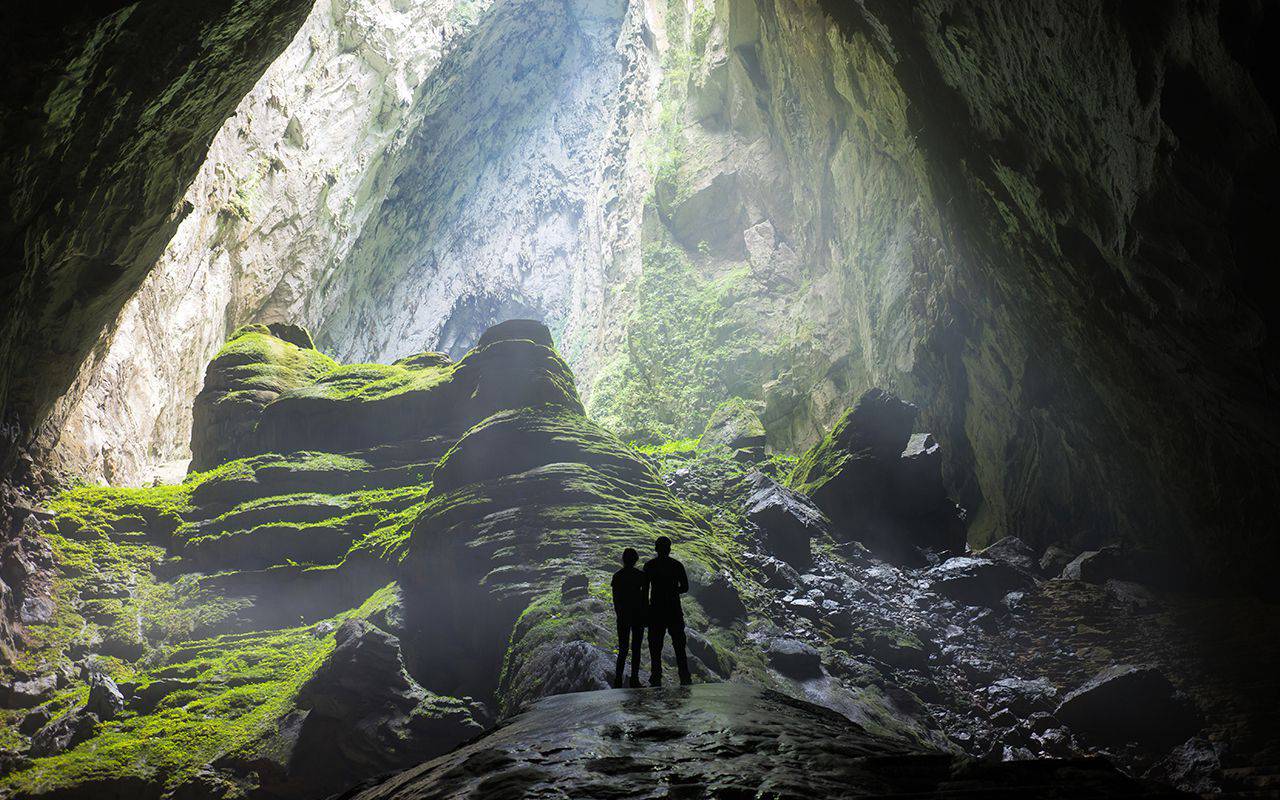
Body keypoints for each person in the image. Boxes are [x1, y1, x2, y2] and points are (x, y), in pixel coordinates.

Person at [644, 535, 691, 686]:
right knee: (679, 645)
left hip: (656, 611)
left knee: (655, 646)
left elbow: (645, 591)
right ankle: (684, 676)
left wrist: (646, 611)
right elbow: (685, 587)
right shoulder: (677, 565)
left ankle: (656, 677)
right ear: (669, 549)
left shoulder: (649, 566)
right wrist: (672, 591)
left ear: (656, 548)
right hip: (674, 610)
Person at [610, 547, 647, 688]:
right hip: (637, 614)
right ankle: (634, 679)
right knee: (636, 648)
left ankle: (618, 680)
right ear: (635, 560)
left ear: (623, 559)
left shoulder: (617, 576)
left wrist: (619, 613)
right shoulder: (640, 575)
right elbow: (644, 598)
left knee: (623, 648)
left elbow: (615, 598)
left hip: (623, 615)